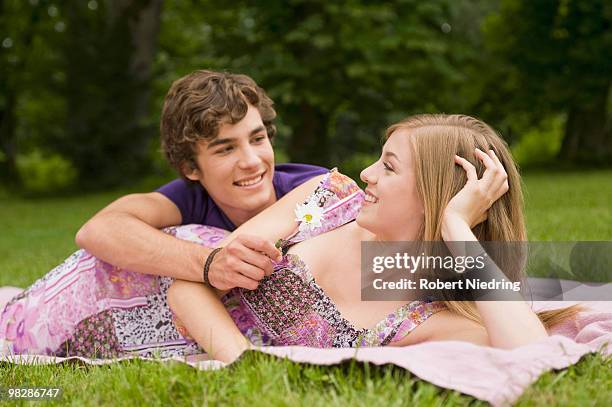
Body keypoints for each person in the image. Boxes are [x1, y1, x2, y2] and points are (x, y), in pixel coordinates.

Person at [167, 114, 583, 363]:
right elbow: (190, 281)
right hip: (145, 272)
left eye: (389, 166)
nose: (366, 173)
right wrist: (243, 363)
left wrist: (455, 226)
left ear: (433, 196)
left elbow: (534, 357)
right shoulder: (326, 199)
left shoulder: (429, 318)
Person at [0, 70, 328, 358]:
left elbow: (374, 258)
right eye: (226, 148)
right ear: (190, 168)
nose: (252, 161)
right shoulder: (191, 199)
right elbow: (98, 230)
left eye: (257, 139)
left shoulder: (311, 190)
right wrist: (210, 264)